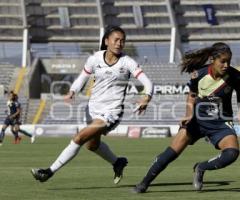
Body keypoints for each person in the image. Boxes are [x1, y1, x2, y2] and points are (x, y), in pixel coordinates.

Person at [31, 26, 154, 184]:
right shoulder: (95, 58)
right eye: (116, 40)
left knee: (79, 137)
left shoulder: (127, 62)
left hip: (112, 112)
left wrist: (146, 98)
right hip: (92, 109)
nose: (119, 43)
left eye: (122, 41)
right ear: (106, 41)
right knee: (91, 145)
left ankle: (48, 172)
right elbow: (82, 77)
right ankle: (118, 162)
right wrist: (73, 91)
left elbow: (148, 83)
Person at [133, 42, 240, 193]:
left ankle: (201, 167)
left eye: (229, 61)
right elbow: (191, 96)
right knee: (170, 153)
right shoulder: (199, 74)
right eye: (222, 61)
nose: (226, 65)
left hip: (221, 122)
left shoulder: (235, 76)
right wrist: (188, 114)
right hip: (197, 120)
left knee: (232, 153)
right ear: (212, 60)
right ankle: (143, 184)